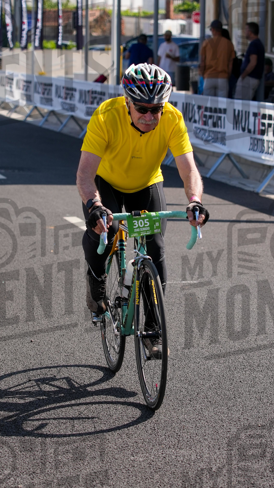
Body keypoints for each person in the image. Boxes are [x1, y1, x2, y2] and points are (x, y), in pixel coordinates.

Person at [76, 63, 209, 340]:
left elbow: (189, 169)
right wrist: (94, 206)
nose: (150, 116)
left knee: (155, 246)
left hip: (146, 182)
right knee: (106, 230)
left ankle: (151, 328)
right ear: (127, 102)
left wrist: (195, 200)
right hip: (107, 183)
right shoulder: (106, 116)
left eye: (156, 109)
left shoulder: (172, 118)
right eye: (142, 109)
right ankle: (96, 282)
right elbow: (85, 173)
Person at [199, 19, 235, 97]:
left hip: (209, 76)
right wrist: (227, 76)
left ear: (213, 30)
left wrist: (202, 75)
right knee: (222, 105)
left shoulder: (206, 43)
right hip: (223, 77)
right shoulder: (229, 44)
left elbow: (202, 62)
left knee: (208, 105)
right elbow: (230, 63)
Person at [235, 22, 265, 100]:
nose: (245, 32)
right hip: (253, 78)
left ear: (250, 32)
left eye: (246, 29)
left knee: (240, 103)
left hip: (249, 78)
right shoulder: (258, 44)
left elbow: (253, 62)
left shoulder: (254, 44)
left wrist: (243, 75)